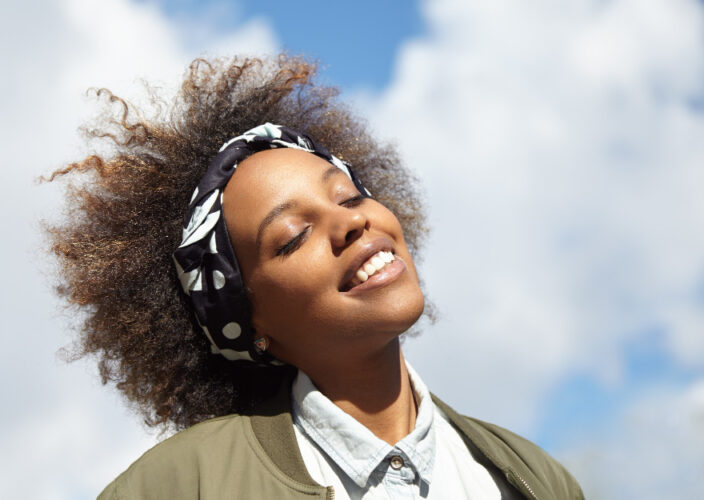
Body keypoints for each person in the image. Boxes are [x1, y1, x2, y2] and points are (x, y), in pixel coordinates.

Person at [44, 55, 584, 499]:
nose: (351, 223)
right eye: (293, 237)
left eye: (348, 196)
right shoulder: (182, 486)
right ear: (249, 321)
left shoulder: (537, 481)